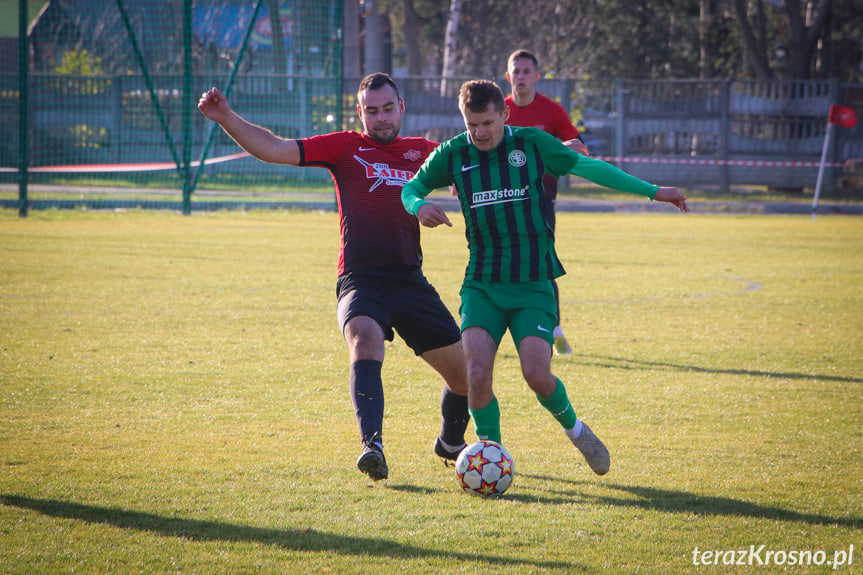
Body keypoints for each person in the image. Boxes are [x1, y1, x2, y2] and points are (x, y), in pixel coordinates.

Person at [401, 80, 688, 476]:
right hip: (482, 283)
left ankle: (577, 431)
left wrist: (654, 191)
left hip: (533, 283)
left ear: (504, 114)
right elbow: (412, 187)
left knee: (537, 374)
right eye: (472, 125)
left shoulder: (532, 144)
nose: (480, 132)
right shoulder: (453, 153)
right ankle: (490, 455)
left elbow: (589, 167)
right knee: (477, 372)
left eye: (487, 122)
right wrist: (418, 205)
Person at [197, 73, 471, 482]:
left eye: (388, 109)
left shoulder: (424, 152)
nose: (381, 118)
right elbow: (273, 149)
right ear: (360, 113)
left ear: (402, 108)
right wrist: (226, 117)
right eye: (371, 111)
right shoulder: (344, 146)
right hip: (360, 279)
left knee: (465, 374)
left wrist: (551, 154)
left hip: (409, 281)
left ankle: (450, 442)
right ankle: (372, 445)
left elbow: (484, 167)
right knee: (363, 337)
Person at [505, 48, 587, 356]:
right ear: (508, 76)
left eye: (527, 71)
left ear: (537, 76)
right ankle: (491, 330)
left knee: (541, 266)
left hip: (540, 203)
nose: (521, 76)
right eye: (516, 71)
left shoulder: (552, 112)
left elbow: (577, 149)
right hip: (501, 204)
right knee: (497, 265)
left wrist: (560, 148)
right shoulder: (498, 110)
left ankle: (555, 330)